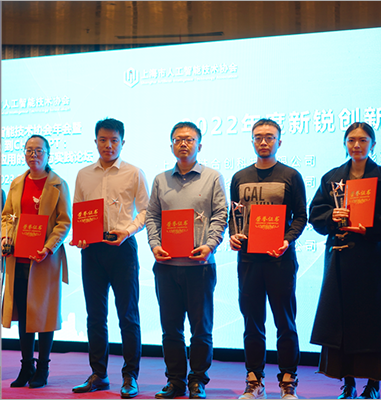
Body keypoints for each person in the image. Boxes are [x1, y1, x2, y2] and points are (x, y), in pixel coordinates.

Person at [308, 122, 381, 399]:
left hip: (375, 263)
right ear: (345, 144)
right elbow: (316, 213)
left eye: (363, 140)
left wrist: (369, 227)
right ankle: (348, 383)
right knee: (341, 323)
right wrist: (331, 217)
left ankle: (373, 385)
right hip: (341, 261)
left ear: (373, 144)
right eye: (351, 140)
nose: (357, 145)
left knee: (374, 324)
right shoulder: (332, 178)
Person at [145, 121, 227, 400]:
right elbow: (152, 216)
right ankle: (175, 381)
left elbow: (221, 214)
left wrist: (210, 245)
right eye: (178, 139)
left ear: (199, 145)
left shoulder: (212, 177)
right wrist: (155, 245)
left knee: (201, 329)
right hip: (166, 266)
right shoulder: (160, 179)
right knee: (171, 329)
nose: (183, 143)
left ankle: (198, 381)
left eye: (189, 139)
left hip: (200, 266)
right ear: (171, 145)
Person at [70, 118, 149, 399]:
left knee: (128, 314)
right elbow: (79, 210)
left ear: (122, 142)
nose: (108, 145)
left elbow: (146, 211)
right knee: (95, 315)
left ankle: (130, 376)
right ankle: (99, 374)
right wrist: (79, 235)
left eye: (114, 140)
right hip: (92, 250)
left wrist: (128, 231)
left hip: (122, 248)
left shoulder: (134, 173)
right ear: (95, 142)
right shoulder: (83, 174)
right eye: (103, 140)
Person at [229, 118, 307, 400]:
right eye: (258, 137)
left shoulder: (291, 175)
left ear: (279, 142)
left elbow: (301, 216)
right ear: (252, 141)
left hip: (279, 260)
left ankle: (288, 381)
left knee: (285, 322)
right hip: (249, 260)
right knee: (252, 322)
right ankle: (254, 381)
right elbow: (234, 215)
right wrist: (234, 235)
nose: (264, 141)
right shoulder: (240, 177)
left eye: (270, 137)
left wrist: (287, 240)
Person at [1, 134, 72, 389]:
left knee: (44, 313)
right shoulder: (17, 183)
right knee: (24, 313)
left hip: (44, 259)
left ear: (48, 154)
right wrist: (6, 237)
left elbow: (64, 221)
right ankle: (26, 366)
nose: (34, 155)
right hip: (19, 257)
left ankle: (42, 367)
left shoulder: (58, 184)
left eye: (39, 150)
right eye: (29, 150)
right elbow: (7, 216)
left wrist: (48, 247)